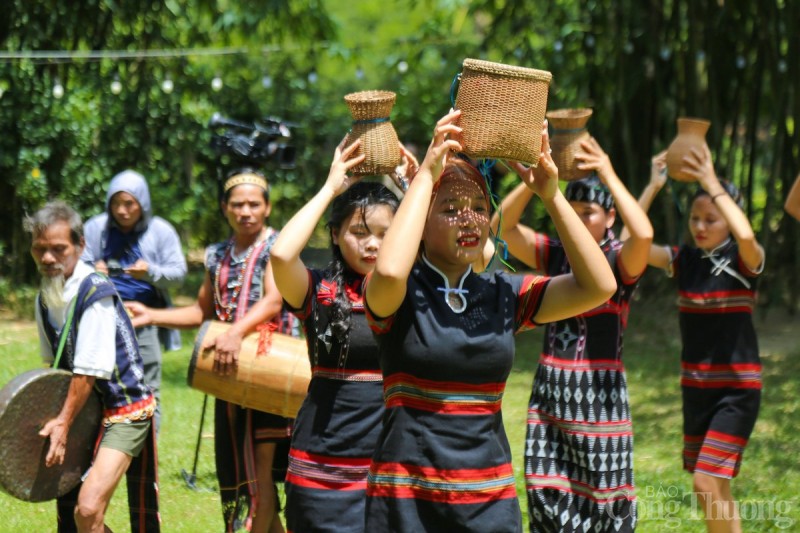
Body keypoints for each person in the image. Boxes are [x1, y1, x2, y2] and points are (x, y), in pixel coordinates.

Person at [362, 110, 617, 532]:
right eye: (451, 208)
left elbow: (599, 285)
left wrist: (551, 195)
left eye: (479, 207)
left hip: (489, 504)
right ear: (419, 220)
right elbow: (389, 270)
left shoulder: (501, 294)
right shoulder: (399, 294)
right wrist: (425, 175)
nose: (469, 219)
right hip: (406, 507)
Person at [495, 137, 653, 532]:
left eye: (591, 213)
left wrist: (607, 172)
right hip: (552, 393)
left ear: (610, 217)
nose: (582, 220)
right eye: (575, 211)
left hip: (601, 398)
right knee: (547, 493)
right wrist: (536, 185)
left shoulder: (619, 259)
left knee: (604, 499)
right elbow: (502, 227)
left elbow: (646, 235)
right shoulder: (555, 253)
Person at [127, 168, 295, 532]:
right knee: (239, 473)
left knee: (257, 477)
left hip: (266, 371)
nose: (245, 212)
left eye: (253, 204)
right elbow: (202, 312)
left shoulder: (277, 247)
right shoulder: (217, 255)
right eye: (237, 205)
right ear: (224, 208)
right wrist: (151, 314)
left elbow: (273, 301)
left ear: (267, 207)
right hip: (227, 376)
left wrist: (235, 333)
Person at [270, 139, 405, 532]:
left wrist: (417, 187)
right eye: (359, 232)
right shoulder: (318, 290)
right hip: (321, 470)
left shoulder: (414, 291)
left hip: (392, 469)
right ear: (334, 234)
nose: (373, 244)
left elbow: (479, 255)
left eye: (385, 233)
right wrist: (331, 188)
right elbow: (280, 256)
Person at [639, 145, 764, 533]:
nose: (700, 226)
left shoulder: (747, 261)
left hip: (736, 392)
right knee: (716, 487)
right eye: (695, 218)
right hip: (696, 390)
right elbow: (631, 244)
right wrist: (653, 187)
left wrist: (710, 181)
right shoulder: (684, 260)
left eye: (712, 219)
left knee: (705, 482)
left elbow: (747, 233)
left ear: (728, 221)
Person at [26, 201, 159, 533]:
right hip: (84, 413)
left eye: (58, 249)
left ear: (80, 246)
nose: (47, 259)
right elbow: (54, 368)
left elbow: (88, 371)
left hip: (124, 411)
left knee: (86, 511)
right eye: (40, 249)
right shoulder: (44, 298)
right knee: (79, 516)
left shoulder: (94, 292)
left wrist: (62, 424)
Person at [81, 169, 187, 435]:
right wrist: (93, 270)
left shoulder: (160, 231)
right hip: (101, 315)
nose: (122, 210)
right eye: (116, 203)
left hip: (143, 318)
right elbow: (75, 265)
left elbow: (179, 274)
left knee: (148, 388)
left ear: (143, 203)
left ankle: (147, 460)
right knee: (98, 385)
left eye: (129, 203)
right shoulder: (96, 228)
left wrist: (149, 272)